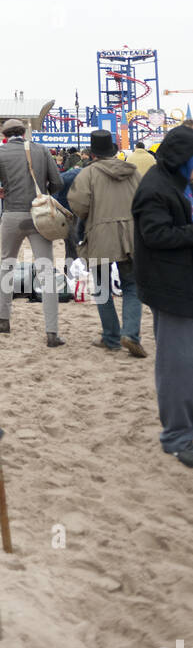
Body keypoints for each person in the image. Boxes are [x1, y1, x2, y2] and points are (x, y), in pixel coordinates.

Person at [0, 119, 66, 348]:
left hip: (12, 214)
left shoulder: (0, 152)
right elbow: (58, 182)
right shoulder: (41, 150)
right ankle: (52, 332)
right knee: (45, 269)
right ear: (23, 132)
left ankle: (3, 319)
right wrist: (44, 194)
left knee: (7, 265)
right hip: (38, 215)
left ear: (5, 134)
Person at [131, 126, 193, 467]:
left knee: (187, 361)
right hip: (171, 287)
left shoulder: (174, 181)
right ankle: (177, 436)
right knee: (177, 365)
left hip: (181, 282)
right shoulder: (155, 188)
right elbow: (155, 234)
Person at [68, 130, 144, 356]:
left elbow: (79, 207)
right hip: (129, 237)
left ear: (93, 154)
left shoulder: (87, 174)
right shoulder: (133, 172)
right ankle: (130, 333)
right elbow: (143, 200)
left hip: (99, 235)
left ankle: (111, 336)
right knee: (131, 286)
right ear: (113, 150)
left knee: (102, 287)